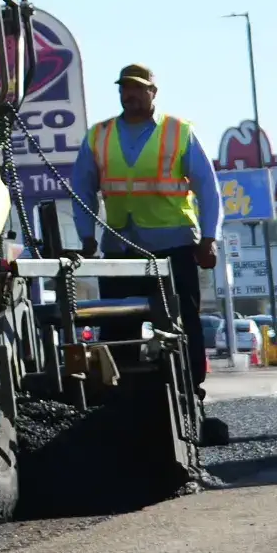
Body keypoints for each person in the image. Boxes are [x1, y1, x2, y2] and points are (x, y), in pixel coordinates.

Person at [74, 62, 222, 391]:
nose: (131, 95)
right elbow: (82, 189)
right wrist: (86, 237)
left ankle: (190, 388)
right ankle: (117, 393)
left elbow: (208, 189)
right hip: (119, 250)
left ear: (153, 93)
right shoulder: (99, 135)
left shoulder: (178, 132)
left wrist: (209, 238)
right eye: (125, 88)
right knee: (116, 324)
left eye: (138, 88)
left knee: (183, 321)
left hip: (174, 247)